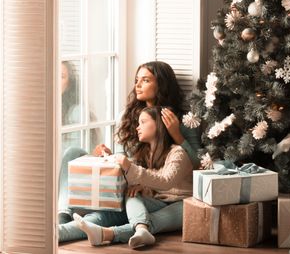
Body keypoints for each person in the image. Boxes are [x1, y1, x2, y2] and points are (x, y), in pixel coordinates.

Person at [58, 61, 200, 242]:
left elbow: (197, 166)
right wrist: (107, 156)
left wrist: (177, 135)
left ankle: (96, 233)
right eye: (136, 80)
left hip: (157, 192)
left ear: (161, 84)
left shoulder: (182, 120)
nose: (138, 85)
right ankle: (62, 216)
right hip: (130, 185)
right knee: (73, 152)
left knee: (102, 218)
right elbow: (124, 160)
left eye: (146, 80)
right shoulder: (127, 116)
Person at [72, 106, 193, 248]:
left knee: (151, 221)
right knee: (132, 193)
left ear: (158, 124)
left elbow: (166, 181)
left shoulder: (178, 153)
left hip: (183, 203)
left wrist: (129, 167)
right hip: (159, 201)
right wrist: (109, 156)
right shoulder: (147, 154)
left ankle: (107, 234)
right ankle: (141, 230)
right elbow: (134, 175)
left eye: (143, 122)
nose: (137, 127)